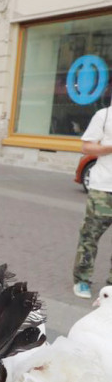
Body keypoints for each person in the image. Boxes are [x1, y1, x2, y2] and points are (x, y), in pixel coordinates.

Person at [73, 105, 112, 299]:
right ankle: (82, 280)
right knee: (90, 236)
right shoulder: (104, 115)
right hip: (103, 188)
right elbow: (86, 146)